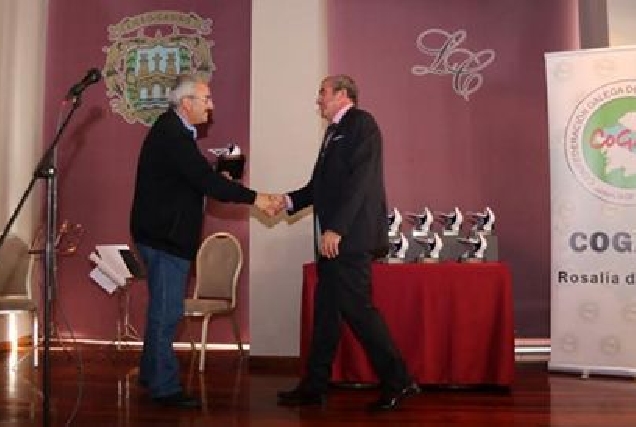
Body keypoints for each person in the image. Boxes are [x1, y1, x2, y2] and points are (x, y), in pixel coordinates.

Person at [130, 74, 277, 408]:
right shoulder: (173, 134)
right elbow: (201, 180)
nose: (211, 106)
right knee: (166, 315)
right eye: (206, 99)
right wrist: (258, 198)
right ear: (186, 103)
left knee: (161, 311)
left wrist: (215, 177)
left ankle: (151, 375)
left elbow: (194, 178)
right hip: (165, 237)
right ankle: (165, 389)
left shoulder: (173, 132)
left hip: (160, 234)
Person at [276, 75, 420, 411]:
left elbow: (361, 183)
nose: (318, 100)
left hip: (349, 240)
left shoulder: (361, 124)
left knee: (359, 312)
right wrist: (284, 201)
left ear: (342, 94)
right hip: (335, 241)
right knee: (326, 315)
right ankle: (314, 387)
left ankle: (400, 380)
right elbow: (319, 186)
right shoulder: (333, 132)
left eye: (322, 93)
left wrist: (336, 229)